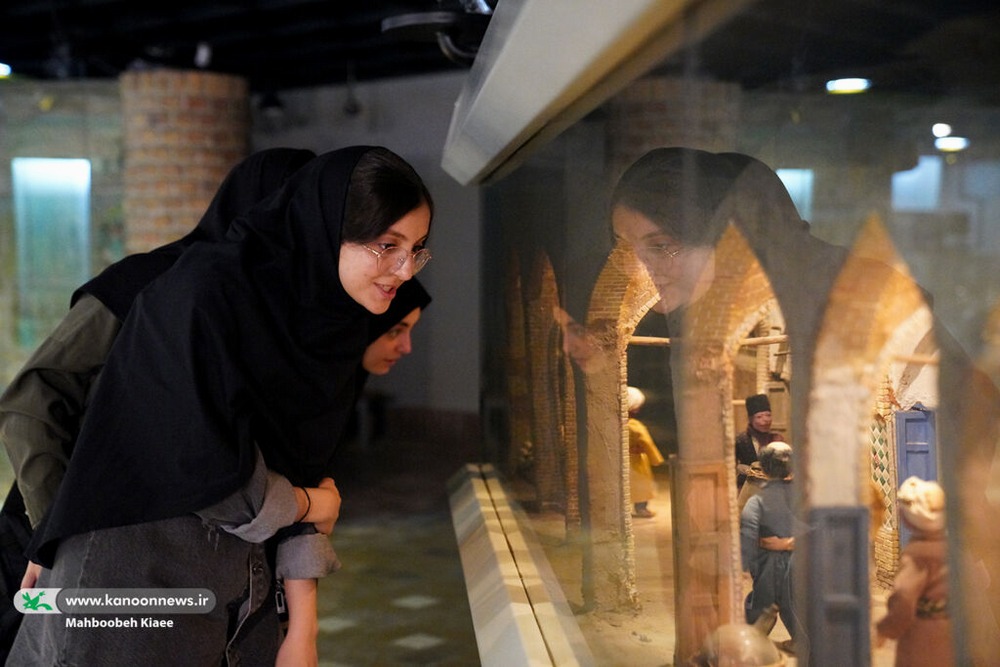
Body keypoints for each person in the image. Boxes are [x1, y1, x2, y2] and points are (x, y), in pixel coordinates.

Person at [8, 145, 434, 666]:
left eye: (416, 249)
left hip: (239, 590)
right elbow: (206, 466)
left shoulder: (321, 329)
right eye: (387, 245)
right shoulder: (193, 294)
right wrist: (51, 532)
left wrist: (303, 626)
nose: (404, 270)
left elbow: (301, 471)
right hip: (132, 568)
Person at [876, 476, 953, 667]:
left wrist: (884, 630)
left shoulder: (917, 554)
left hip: (924, 637)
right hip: (952, 632)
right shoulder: (953, 548)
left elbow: (903, 600)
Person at [740, 440, 798, 654]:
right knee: (790, 602)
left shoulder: (758, 497)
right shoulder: (801, 494)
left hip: (770, 560)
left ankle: (752, 644)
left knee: (764, 603)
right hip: (784, 559)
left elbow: (747, 529)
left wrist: (744, 564)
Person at [626, 386, 665, 518]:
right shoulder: (635, 426)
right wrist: (656, 459)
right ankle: (641, 508)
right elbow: (647, 443)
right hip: (636, 461)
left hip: (623, 460)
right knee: (641, 486)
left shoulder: (617, 424)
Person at [735, 393, 781, 491]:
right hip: (747, 488)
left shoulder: (777, 439)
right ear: (750, 420)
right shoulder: (741, 440)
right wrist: (742, 468)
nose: (766, 420)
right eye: (759, 417)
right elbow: (731, 466)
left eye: (768, 415)